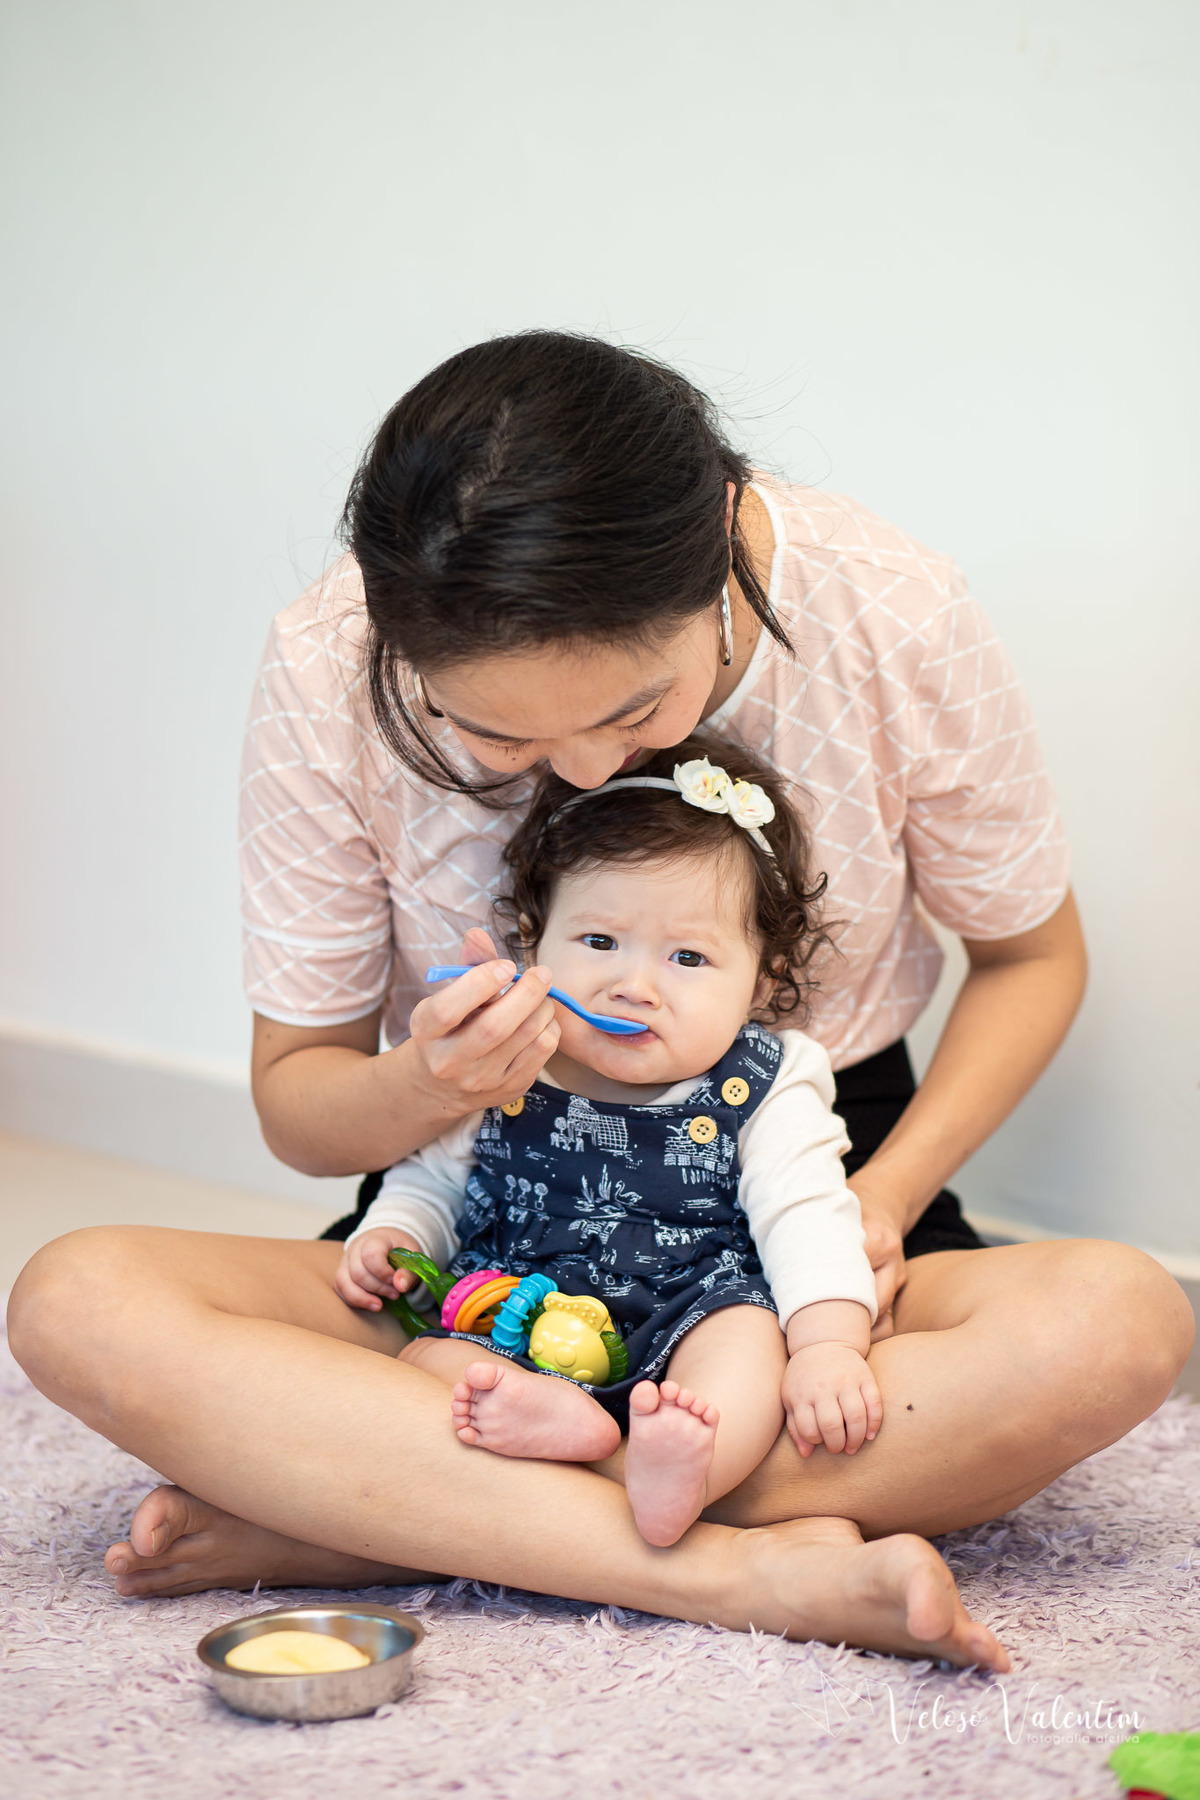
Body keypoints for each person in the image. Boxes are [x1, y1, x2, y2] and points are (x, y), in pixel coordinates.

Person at [7, 333, 1192, 1671]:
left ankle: (375, 1512)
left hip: (808, 1198)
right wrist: (430, 1086)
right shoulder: (327, 663)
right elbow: (302, 1103)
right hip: (492, 1235)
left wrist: (883, 1199)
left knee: (1120, 1321)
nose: (577, 775)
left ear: (727, 541)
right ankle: (736, 1571)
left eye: (636, 711)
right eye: (495, 737)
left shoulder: (892, 608)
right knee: (76, 1298)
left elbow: (1032, 959)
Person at [340, 740, 884, 1548]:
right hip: (514, 1312)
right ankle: (567, 1429)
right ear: (535, 943)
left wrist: (829, 1347)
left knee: (749, 1351)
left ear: (762, 982)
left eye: (689, 957)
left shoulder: (764, 1081)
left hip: (691, 1309)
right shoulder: (505, 1053)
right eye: (599, 942)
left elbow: (809, 1216)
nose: (635, 986)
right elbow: (431, 1180)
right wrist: (395, 1237)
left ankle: (679, 1471)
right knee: (426, 1369)